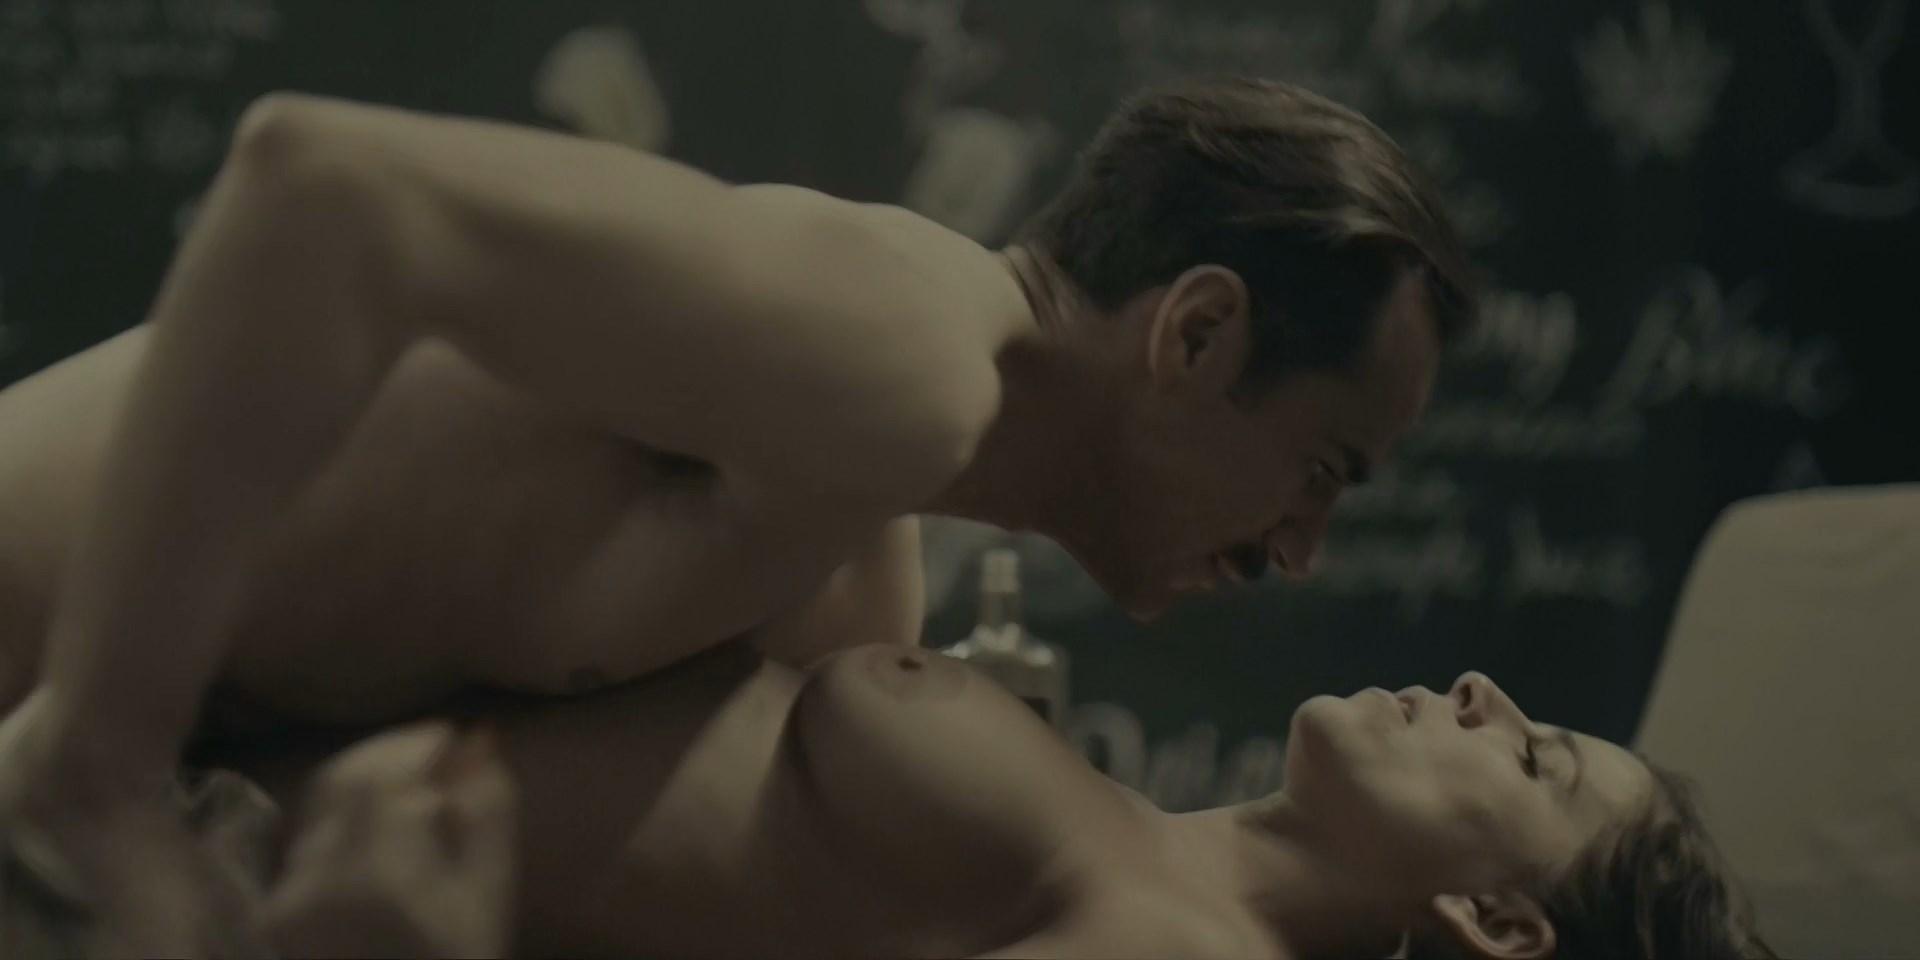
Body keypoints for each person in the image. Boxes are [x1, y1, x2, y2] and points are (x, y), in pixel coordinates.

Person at [0, 76, 1476, 951]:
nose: (1303, 550)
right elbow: (323, 186)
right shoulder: (900, 352)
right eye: (1325, 468)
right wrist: (99, 765)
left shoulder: (855, 567)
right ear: (1199, 336)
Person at [26, 642, 1771, 959]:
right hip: (151, 793)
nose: (1482, 693)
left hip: (178, 904)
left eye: (1532, 758)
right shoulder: (1153, 855)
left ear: (1497, 923)